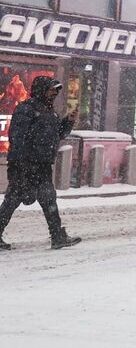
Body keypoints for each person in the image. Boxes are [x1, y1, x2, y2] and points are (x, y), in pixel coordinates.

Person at [0, 76, 81, 250]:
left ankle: (57, 236)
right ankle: (57, 236)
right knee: (13, 200)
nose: (54, 94)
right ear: (41, 89)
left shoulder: (49, 112)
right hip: (26, 164)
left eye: (55, 91)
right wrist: (19, 163)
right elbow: (17, 136)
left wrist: (68, 121)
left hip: (42, 165)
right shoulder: (26, 109)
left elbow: (58, 134)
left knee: (48, 199)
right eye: (51, 90)